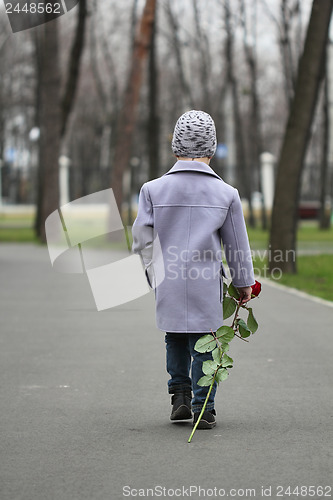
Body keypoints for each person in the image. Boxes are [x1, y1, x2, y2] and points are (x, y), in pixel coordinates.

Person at [132, 110, 255, 429]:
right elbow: (236, 246)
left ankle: (180, 397)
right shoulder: (226, 194)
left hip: (168, 279)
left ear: (175, 148)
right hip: (206, 282)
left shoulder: (152, 190)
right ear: (212, 149)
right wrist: (244, 283)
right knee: (207, 340)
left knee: (174, 338)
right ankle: (204, 407)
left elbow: (142, 238)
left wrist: (152, 273)